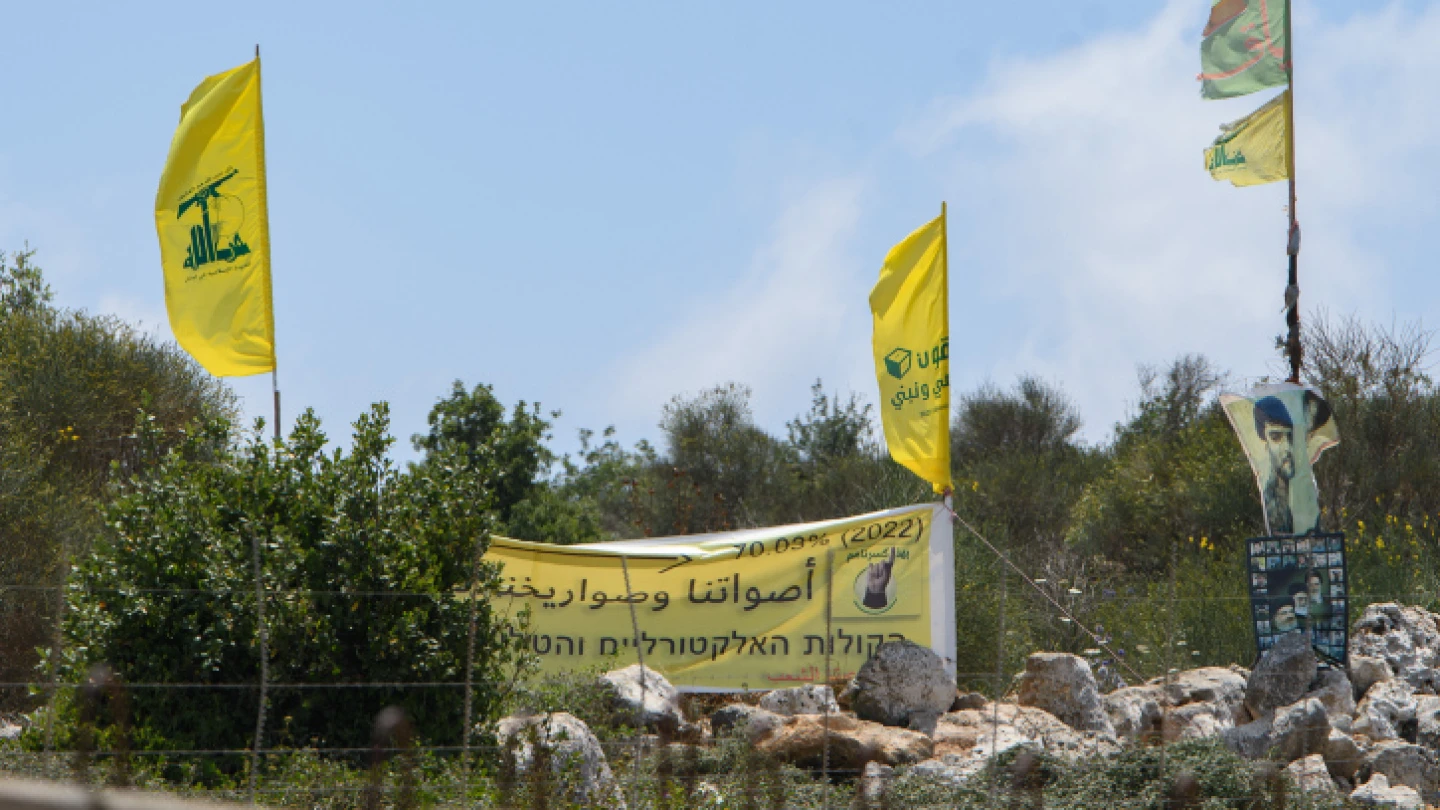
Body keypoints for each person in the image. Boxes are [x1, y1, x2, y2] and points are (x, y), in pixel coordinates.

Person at [1253, 396, 1296, 534]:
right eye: (1276, 438)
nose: (1287, 448)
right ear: (1266, 445)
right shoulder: (1266, 501)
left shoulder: (1305, 496)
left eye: (1291, 438)